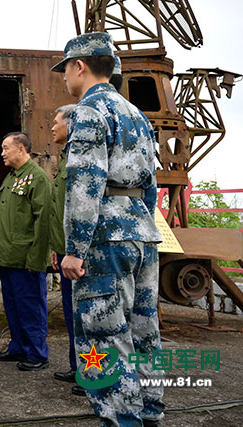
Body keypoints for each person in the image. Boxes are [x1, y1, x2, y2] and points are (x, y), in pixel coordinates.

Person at [52, 32, 164, 426]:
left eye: (65, 68)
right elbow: (151, 184)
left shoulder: (88, 112)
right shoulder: (136, 115)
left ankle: (121, 419)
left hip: (104, 238)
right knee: (143, 331)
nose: (64, 76)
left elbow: (85, 185)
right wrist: (140, 222)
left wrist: (75, 249)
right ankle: (149, 411)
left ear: (79, 66)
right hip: (142, 233)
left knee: (104, 338)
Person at [0, 132, 52, 371]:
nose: (2, 153)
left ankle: (37, 353)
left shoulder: (37, 178)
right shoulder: (13, 177)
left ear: (22, 149)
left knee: (31, 306)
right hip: (8, 256)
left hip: (26, 258)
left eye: (6, 148)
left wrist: (37, 259)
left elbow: (43, 221)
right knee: (13, 306)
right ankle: (18, 346)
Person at [48, 104, 86, 395]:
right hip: (65, 249)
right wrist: (56, 247)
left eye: (56, 122)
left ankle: (93, 375)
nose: (52, 127)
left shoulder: (81, 155)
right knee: (73, 314)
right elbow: (60, 208)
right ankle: (79, 368)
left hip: (79, 251)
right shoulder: (64, 158)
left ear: (71, 124)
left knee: (87, 315)